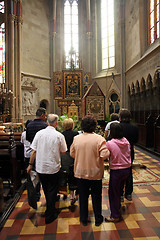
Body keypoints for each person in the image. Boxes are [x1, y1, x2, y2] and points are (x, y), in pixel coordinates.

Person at [27, 114, 67, 224]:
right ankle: (50, 214)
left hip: (41, 167)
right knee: (52, 190)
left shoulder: (39, 134)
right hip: (53, 167)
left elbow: (33, 151)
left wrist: (30, 164)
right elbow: (63, 151)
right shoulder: (59, 135)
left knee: (46, 188)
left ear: (47, 122)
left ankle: (50, 210)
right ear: (56, 123)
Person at [70, 115, 110, 226]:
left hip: (80, 172)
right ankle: (98, 218)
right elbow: (104, 155)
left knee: (83, 196)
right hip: (95, 173)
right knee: (96, 196)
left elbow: (72, 153)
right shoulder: (99, 139)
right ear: (94, 126)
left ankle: (83, 218)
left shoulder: (77, 138)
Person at [105, 122, 131, 223]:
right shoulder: (126, 141)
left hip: (116, 170)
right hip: (126, 169)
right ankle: (118, 206)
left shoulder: (110, 143)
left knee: (113, 192)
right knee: (120, 189)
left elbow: (107, 156)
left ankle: (115, 215)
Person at [26, 107, 48, 201]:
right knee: (44, 175)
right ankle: (47, 193)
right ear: (42, 115)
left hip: (33, 152)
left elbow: (27, 138)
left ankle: (37, 194)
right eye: (45, 115)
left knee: (35, 174)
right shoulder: (45, 125)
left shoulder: (29, 125)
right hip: (43, 153)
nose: (46, 117)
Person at [119, 109, 139, 201]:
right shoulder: (134, 127)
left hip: (118, 152)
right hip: (129, 151)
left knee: (118, 172)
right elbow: (136, 141)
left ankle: (120, 194)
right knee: (129, 171)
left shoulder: (118, 127)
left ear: (120, 117)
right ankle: (128, 193)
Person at [61, 118, 79, 205]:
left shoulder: (61, 134)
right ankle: (74, 195)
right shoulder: (76, 134)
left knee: (65, 175)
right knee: (74, 175)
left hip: (64, 156)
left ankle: (64, 193)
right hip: (74, 156)